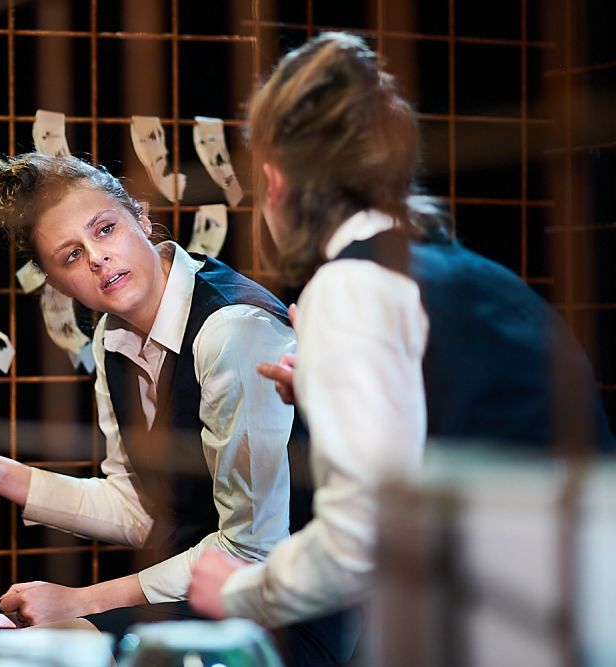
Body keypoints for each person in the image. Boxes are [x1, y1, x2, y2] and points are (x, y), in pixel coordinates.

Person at [188, 31, 614, 630]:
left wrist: (239, 591)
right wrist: (320, 384)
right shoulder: (477, 276)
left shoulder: (348, 287)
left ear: (276, 182)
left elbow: (359, 540)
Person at [0, 153, 314, 641]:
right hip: (201, 598)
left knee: (61, 643)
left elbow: (252, 550)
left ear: (141, 217)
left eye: (105, 229)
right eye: (71, 256)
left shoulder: (232, 331)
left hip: (289, 609)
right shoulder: (110, 336)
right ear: (54, 283)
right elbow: (137, 508)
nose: (97, 258)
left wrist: (83, 600)